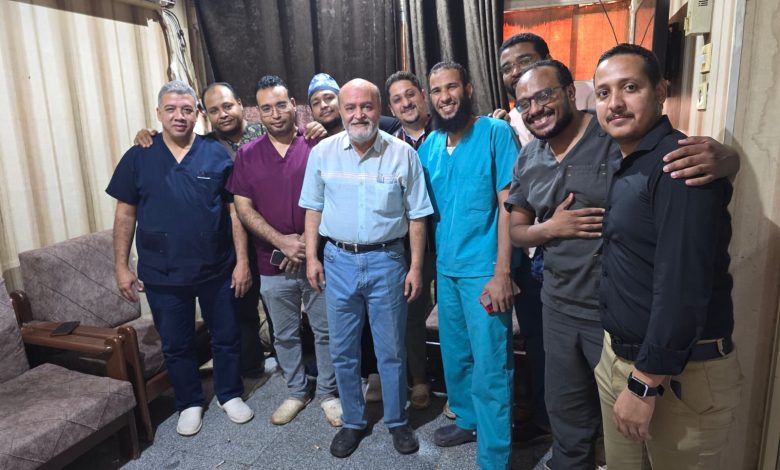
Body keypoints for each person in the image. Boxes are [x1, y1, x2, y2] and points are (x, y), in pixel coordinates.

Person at [505, 59, 740, 469]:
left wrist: (728, 159)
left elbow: (682, 280)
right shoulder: (530, 158)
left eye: (544, 95)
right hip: (559, 305)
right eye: (524, 102)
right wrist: (550, 228)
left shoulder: (613, 135)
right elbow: (516, 229)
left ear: (570, 93)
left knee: (630, 428)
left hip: (611, 314)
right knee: (567, 414)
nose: (535, 108)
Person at [593, 43, 742, 469]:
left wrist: (644, 383)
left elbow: (683, 287)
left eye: (630, 87)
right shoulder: (629, 158)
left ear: (660, 91)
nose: (615, 103)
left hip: (676, 376)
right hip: (620, 359)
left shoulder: (679, 165)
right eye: (603, 92)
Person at [107, 80, 253, 437]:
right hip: (163, 271)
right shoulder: (139, 155)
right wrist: (121, 265)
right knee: (176, 342)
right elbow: (125, 214)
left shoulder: (215, 153)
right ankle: (188, 402)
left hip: (216, 266)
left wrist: (242, 262)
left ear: (197, 114)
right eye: (171, 109)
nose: (179, 116)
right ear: (158, 113)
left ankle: (229, 393)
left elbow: (234, 212)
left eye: (187, 109)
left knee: (226, 335)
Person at [299, 78, 433, 458]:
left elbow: (418, 215)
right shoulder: (322, 153)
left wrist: (416, 267)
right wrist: (312, 257)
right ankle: (354, 421)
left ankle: (397, 420)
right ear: (342, 112)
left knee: (391, 349)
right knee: (343, 350)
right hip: (338, 261)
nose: (359, 114)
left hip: (387, 261)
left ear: (379, 110)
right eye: (351, 107)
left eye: (367, 106)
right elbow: (313, 208)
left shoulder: (402, 154)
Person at [417, 61, 518, 470]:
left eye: (452, 87)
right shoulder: (429, 146)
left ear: (469, 89)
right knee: (456, 353)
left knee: (491, 363)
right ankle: (468, 419)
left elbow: (510, 205)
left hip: (485, 269)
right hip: (448, 269)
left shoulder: (495, 133)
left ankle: (494, 456)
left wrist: (503, 272)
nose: (445, 97)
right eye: (437, 90)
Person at [227, 75, 341, 427]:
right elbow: (243, 209)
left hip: (317, 258)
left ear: (294, 104)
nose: (275, 114)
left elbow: (335, 196)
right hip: (271, 262)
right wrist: (282, 242)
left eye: (280, 105)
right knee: (285, 334)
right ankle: (296, 391)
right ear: (257, 112)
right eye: (266, 108)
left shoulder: (316, 144)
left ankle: (328, 392)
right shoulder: (248, 155)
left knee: (326, 330)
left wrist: (306, 243)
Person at [384, 71, 435, 409]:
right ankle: (419, 380)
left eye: (410, 94)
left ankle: (460, 385)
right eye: (397, 100)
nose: (406, 103)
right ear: (391, 108)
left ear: (423, 94)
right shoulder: (388, 143)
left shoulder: (448, 131)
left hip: (451, 239)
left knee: (458, 317)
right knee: (412, 315)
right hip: (407, 245)